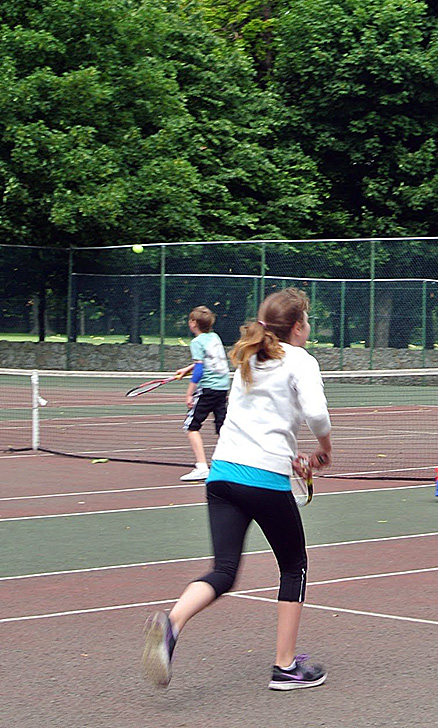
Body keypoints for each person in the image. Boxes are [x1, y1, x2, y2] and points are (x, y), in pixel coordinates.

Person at [142, 288, 332, 692]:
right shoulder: (301, 360)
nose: (308, 326)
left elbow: (257, 418)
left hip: (222, 475)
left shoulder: (250, 355)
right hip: (264, 480)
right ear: (297, 327)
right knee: (294, 566)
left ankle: (172, 623)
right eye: (307, 319)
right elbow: (316, 414)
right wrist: (324, 450)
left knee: (224, 571)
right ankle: (285, 667)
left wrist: (290, 454)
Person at [174, 306, 231, 482]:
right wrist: (187, 369)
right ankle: (232, 464)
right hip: (222, 388)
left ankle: (201, 467)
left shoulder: (196, 342)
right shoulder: (215, 337)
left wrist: (189, 393)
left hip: (207, 389)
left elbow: (199, 370)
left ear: (193, 323)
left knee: (191, 427)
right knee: (223, 427)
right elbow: (207, 361)